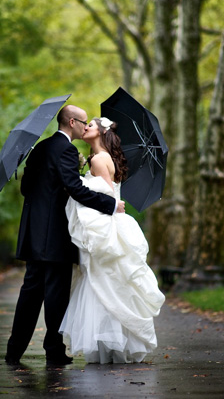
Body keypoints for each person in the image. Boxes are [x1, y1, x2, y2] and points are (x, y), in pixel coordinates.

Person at [5, 105, 126, 367]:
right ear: (72, 122)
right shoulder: (68, 151)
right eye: (83, 123)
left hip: (34, 233)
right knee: (56, 295)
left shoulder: (38, 149)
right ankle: (54, 352)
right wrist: (109, 205)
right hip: (57, 235)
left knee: (30, 293)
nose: (85, 127)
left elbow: (27, 189)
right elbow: (74, 189)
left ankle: (14, 350)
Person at [59, 117, 165, 363]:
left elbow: (107, 193)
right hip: (108, 224)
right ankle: (115, 342)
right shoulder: (103, 157)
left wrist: (78, 182)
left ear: (101, 133)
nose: (85, 128)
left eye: (91, 126)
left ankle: (105, 344)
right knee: (111, 282)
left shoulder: (98, 159)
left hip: (104, 227)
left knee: (102, 282)